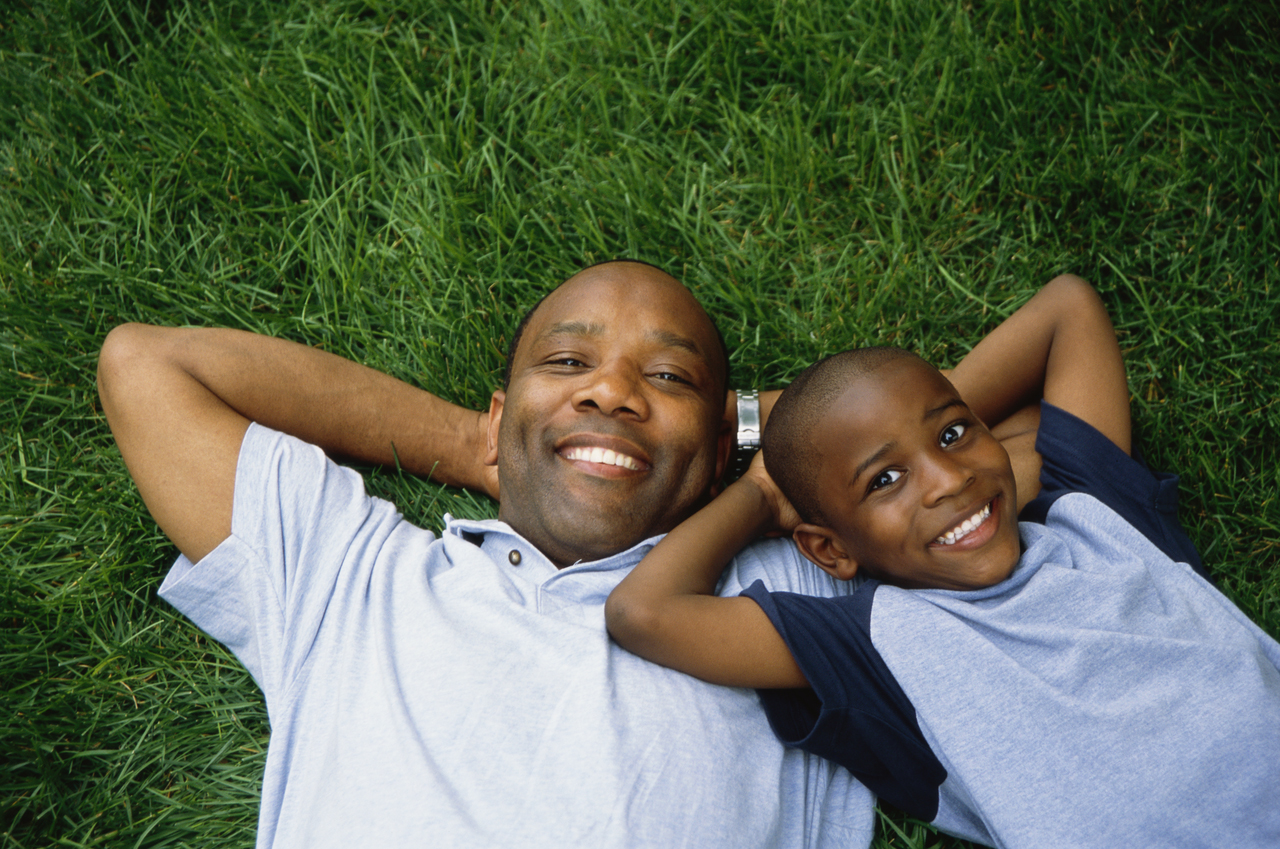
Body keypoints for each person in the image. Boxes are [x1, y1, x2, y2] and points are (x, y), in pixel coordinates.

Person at [96, 260, 879, 848]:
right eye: (568, 363)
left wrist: (756, 433)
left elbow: (931, 436)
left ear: (717, 454)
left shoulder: (791, 587)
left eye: (669, 376)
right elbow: (149, 366)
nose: (610, 392)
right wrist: (478, 445)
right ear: (503, 415)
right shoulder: (352, 577)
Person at [606, 274, 1280, 848]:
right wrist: (761, 492)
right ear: (829, 548)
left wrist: (783, 421)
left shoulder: (1096, 508)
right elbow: (645, 611)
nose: (948, 479)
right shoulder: (876, 644)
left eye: (954, 433)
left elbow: (1068, 306)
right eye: (884, 480)